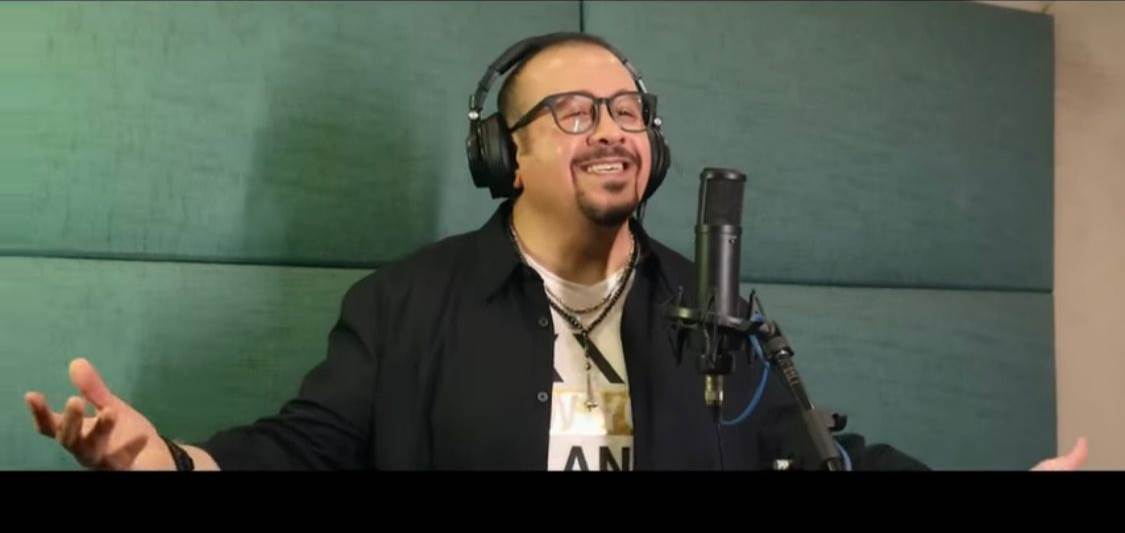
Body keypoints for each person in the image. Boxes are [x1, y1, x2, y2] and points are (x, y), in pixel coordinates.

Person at [23, 32, 1087, 471]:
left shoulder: (707, 302)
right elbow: (302, 452)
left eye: (626, 109)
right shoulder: (408, 304)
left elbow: (815, 456)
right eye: (573, 112)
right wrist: (168, 461)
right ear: (506, 154)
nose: (611, 128)